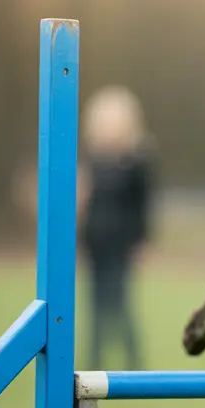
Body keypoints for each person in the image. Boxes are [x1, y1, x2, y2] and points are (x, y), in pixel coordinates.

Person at [79, 86, 155, 371]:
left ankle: (133, 362)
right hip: (94, 240)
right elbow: (86, 200)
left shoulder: (138, 161)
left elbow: (144, 205)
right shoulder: (93, 160)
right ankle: (93, 362)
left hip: (122, 242)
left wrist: (142, 242)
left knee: (120, 303)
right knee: (94, 304)